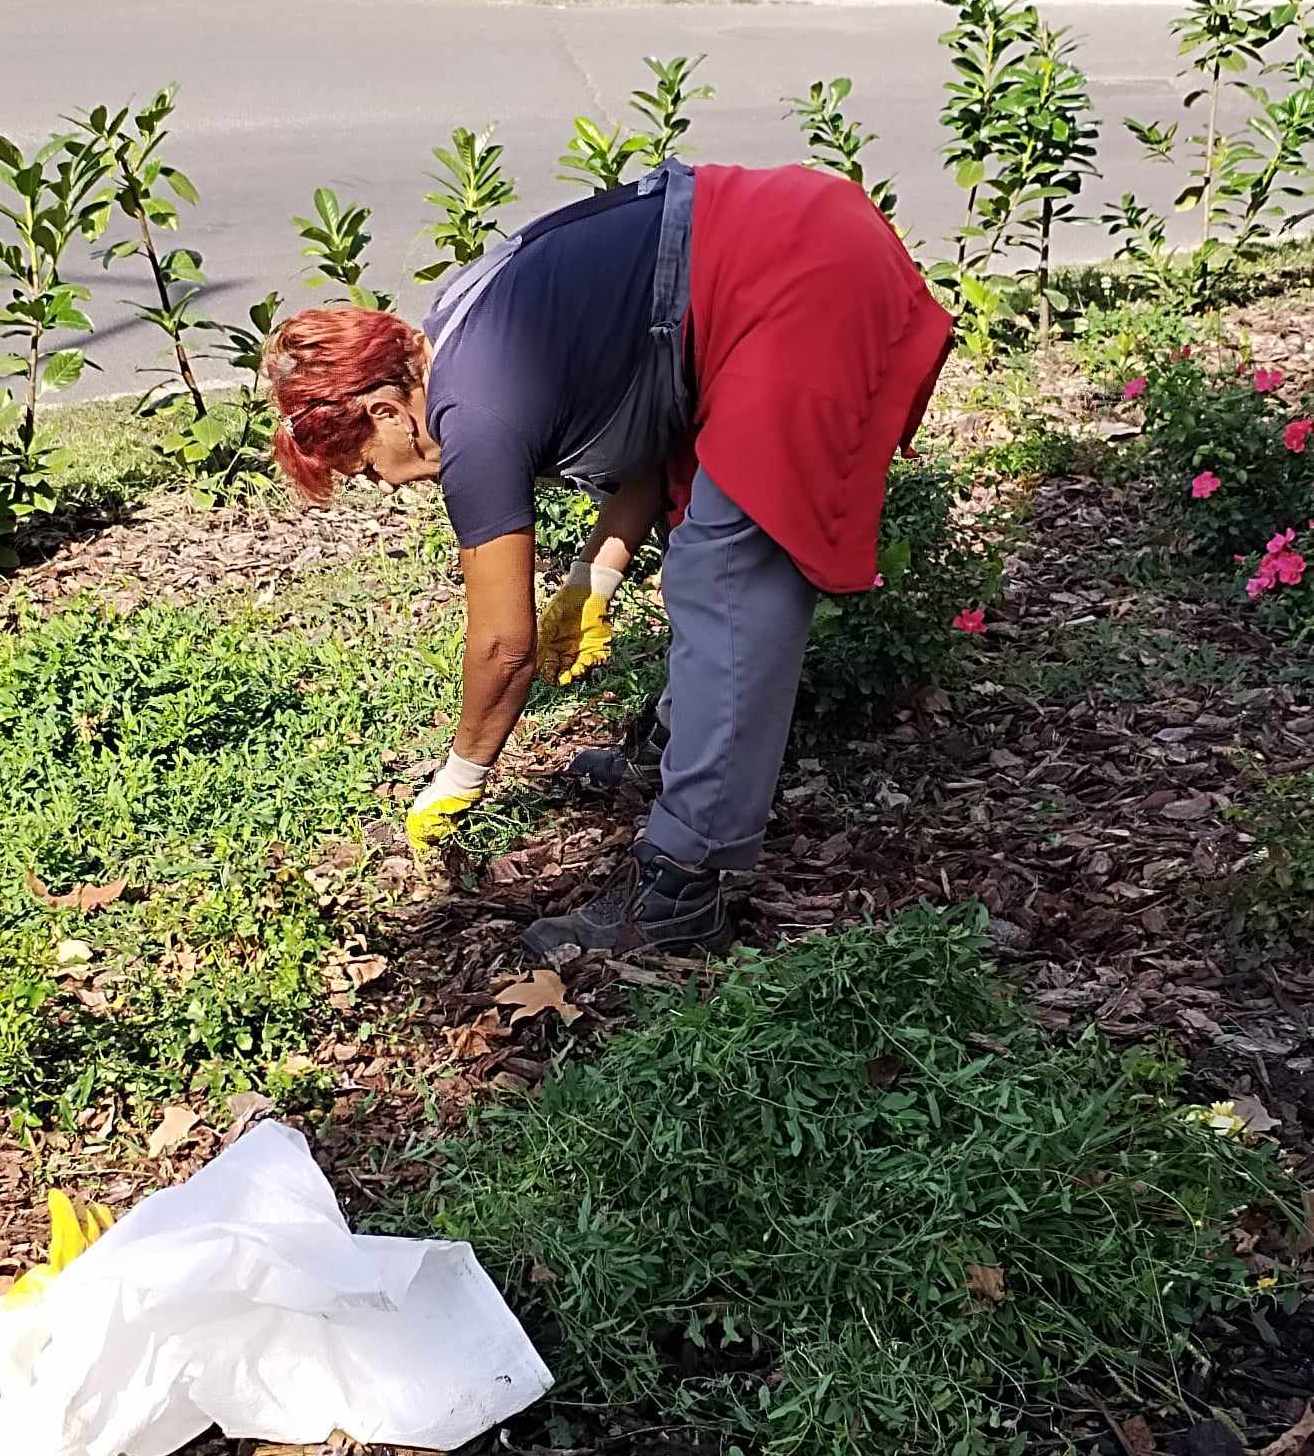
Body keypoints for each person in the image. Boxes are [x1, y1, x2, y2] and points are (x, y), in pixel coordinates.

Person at [263, 162, 952, 960]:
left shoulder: (472, 415)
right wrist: (595, 574)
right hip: (788, 240)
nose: (387, 484)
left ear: (385, 409)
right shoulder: (462, 324)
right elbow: (654, 420)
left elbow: (501, 646)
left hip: (798, 281)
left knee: (727, 575)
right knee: (702, 523)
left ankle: (687, 884)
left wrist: (461, 779)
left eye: (367, 464)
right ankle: (678, 750)